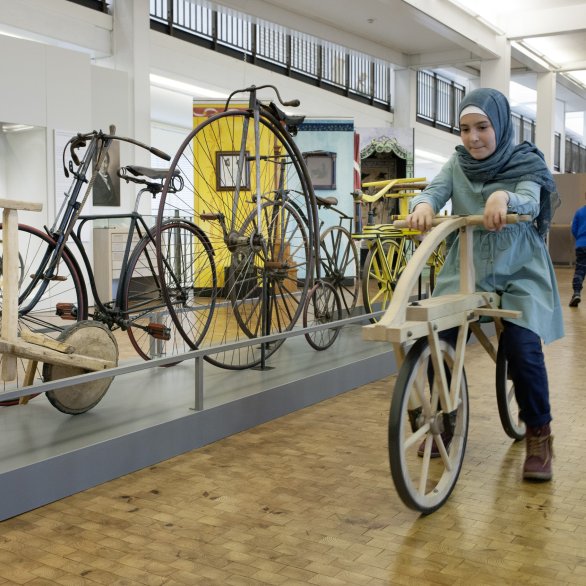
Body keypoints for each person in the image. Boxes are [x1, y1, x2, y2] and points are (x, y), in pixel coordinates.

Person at [407, 87, 563, 482]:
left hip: (519, 267)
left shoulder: (524, 160)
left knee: (523, 347)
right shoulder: (457, 164)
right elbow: (434, 190)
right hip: (468, 265)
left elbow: (529, 198)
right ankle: (444, 412)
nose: (473, 137)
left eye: (482, 127)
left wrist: (504, 196)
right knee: (435, 333)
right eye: (464, 129)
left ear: (501, 125)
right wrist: (423, 206)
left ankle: (539, 432)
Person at [569, 195, 586, 307]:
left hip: (581, 245)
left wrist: (580, 239)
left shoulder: (579, 212)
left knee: (580, 269)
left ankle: (576, 293)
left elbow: (573, 228)